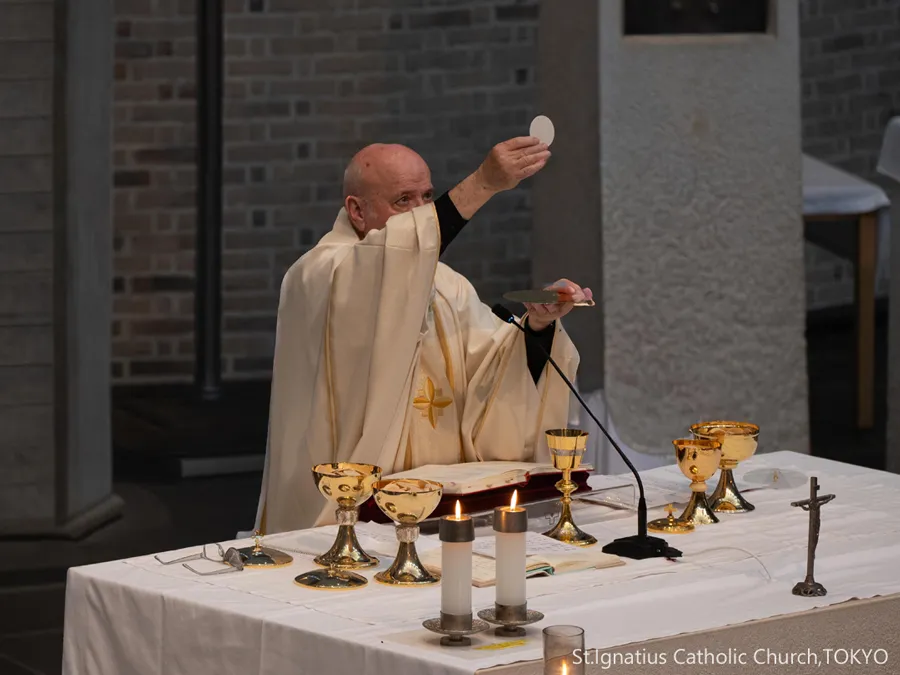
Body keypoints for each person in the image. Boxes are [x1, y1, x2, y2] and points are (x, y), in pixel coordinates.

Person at [253, 137, 592, 533]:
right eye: (403, 201)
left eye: (428, 197)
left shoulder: (447, 284)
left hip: (449, 513)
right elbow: (380, 272)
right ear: (356, 211)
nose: (422, 213)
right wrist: (483, 182)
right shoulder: (321, 275)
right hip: (353, 517)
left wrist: (537, 325)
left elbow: (492, 368)